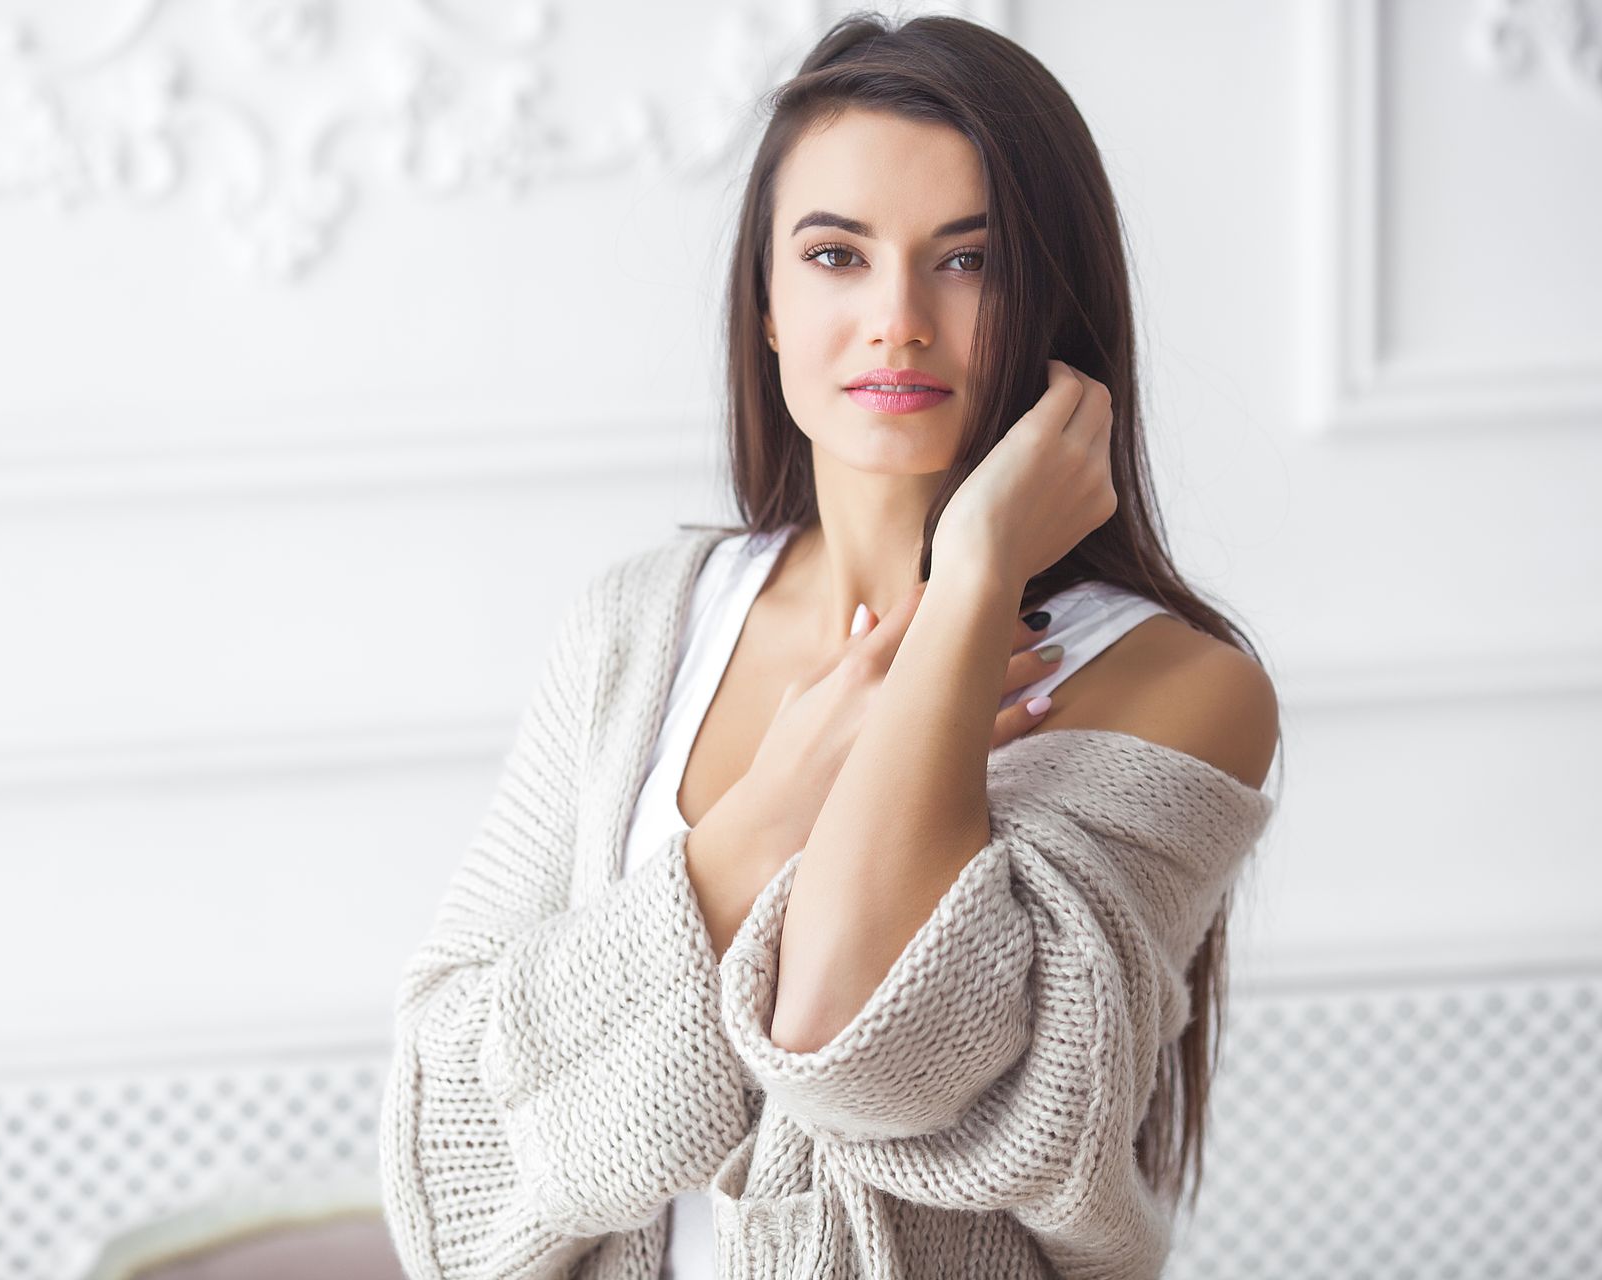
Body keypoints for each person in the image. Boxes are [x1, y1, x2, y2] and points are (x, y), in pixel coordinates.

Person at [378, 12, 1282, 1279]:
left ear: (1055, 301)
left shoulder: (1181, 689)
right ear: (765, 304)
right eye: (837, 255)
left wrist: (970, 590)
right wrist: (777, 801)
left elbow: (869, 1043)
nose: (899, 319)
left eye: (967, 261)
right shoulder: (638, 628)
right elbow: (453, 1145)